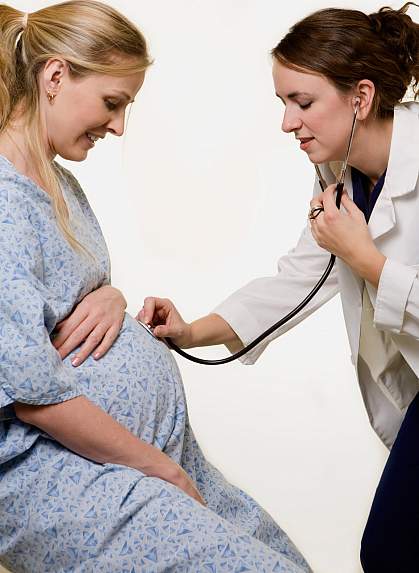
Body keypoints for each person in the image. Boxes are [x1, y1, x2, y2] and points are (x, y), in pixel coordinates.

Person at [0, 2, 312, 572]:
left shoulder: (59, 183)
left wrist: (111, 296)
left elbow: (67, 304)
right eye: (112, 103)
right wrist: (157, 467)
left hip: (143, 455)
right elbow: (31, 392)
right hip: (64, 473)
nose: (118, 126)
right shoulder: (1, 202)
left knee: (283, 560)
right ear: (54, 77)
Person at [136, 4, 419, 572]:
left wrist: (366, 261)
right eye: (284, 104)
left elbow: (360, 263)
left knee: (392, 549)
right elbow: (297, 279)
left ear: (361, 98)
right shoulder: (341, 177)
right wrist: (193, 330)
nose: (288, 123)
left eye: (303, 103)